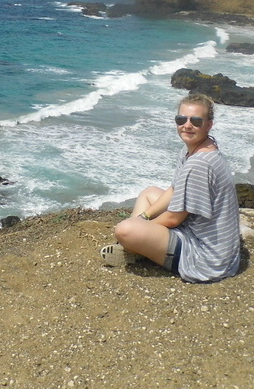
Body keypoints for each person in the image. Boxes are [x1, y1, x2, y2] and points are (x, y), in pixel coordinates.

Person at [100, 93, 241, 282]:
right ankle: (136, 246)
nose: (187, 125)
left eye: (196, 121)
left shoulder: (200, 164)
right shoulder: (193, 150)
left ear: (209, 125)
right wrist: (144, 218)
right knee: (149, 193)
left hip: (205, 258)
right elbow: (174, 189)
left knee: (125, 230)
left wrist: (140, 227)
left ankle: (132, 247)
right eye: (181, 119)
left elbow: (174, 218)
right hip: (201, 235)